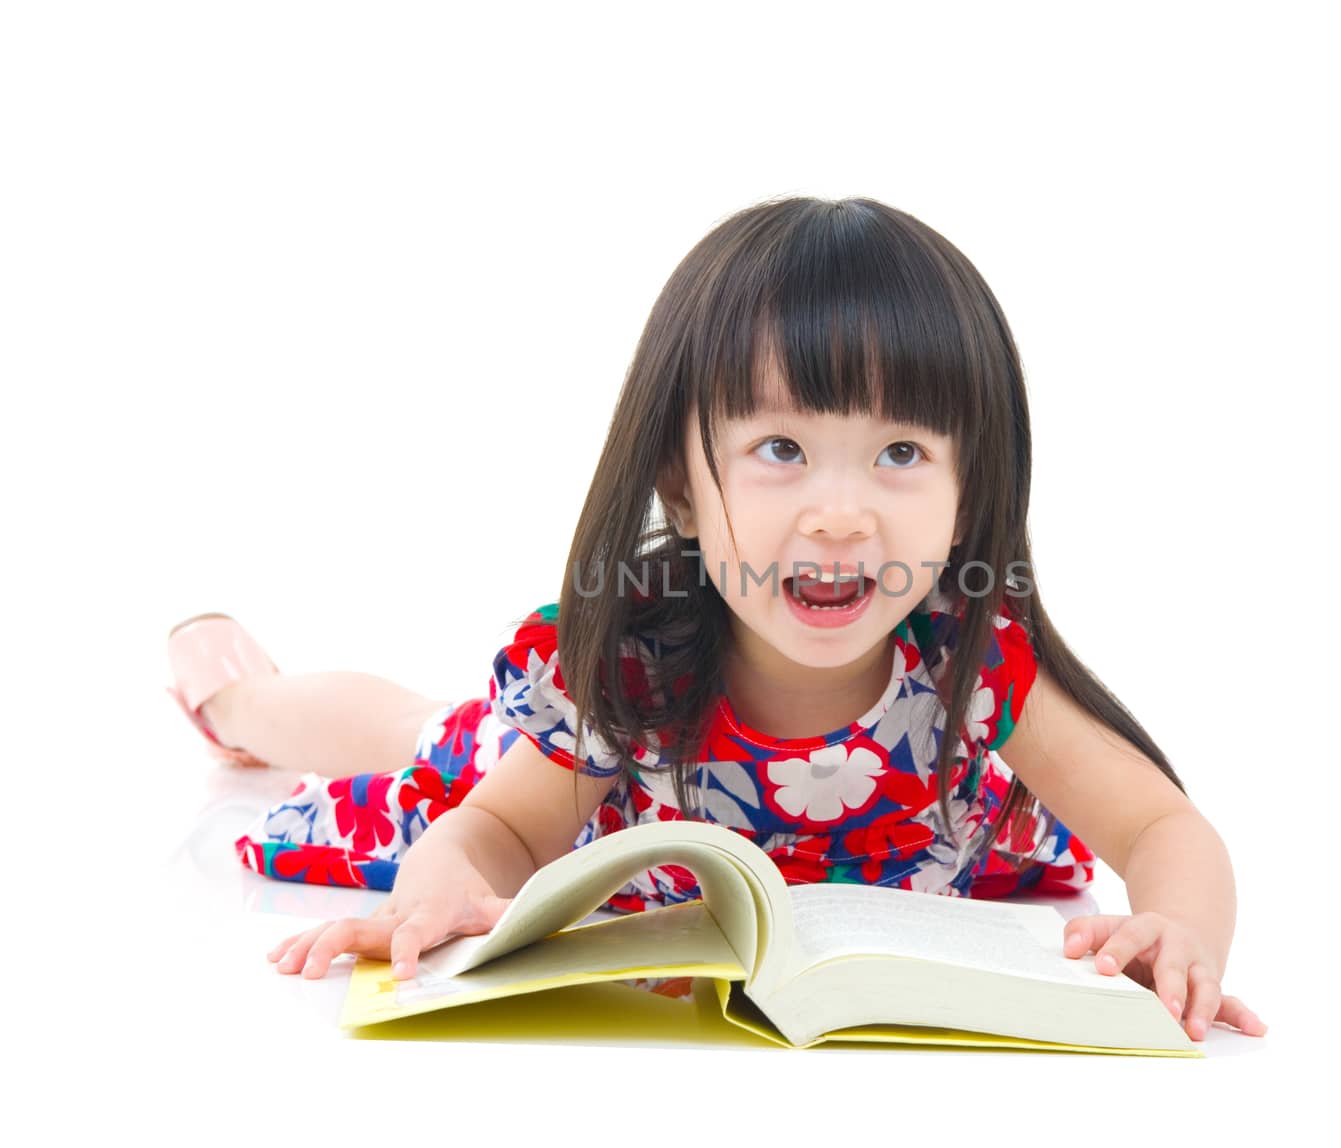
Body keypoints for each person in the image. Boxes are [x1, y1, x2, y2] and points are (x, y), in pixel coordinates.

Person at [167, 195, 1266, 1041]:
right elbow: (494, 830)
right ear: (683, 487)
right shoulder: (630, 665)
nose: (841, 516)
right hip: (576, 793)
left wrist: (1179, 931)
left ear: (969, 492)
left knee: (434, 730)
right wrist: (452, 894)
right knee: (431, 738)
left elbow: (1164, 828)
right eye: (780, 450)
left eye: (900, 454)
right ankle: (235, 689)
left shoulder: (974, 666)